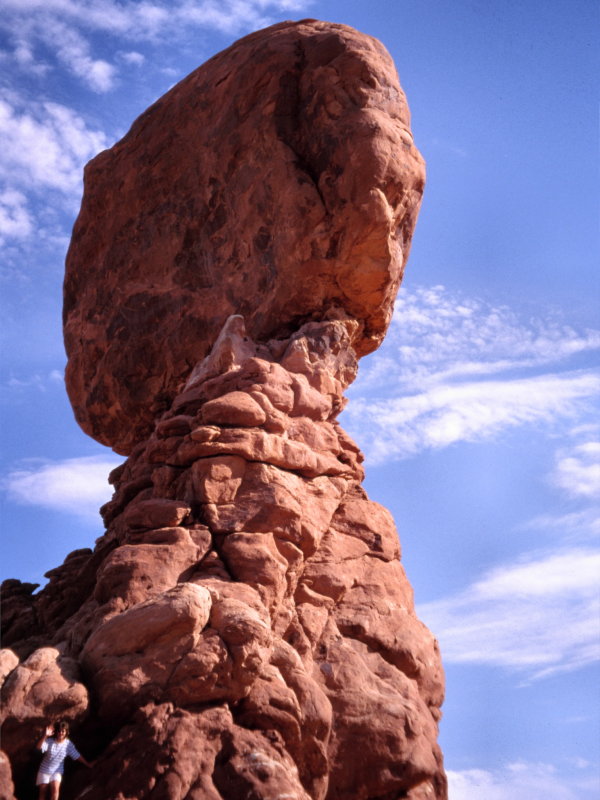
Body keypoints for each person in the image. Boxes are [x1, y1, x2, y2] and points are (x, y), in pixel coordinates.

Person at [36, 720, 93, 799]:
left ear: (67, 732)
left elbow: (77, 755)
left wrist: (87, 764)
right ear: (56, 732)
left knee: (55, 790)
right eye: (59, 731)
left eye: (63, 731)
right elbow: (39, 747)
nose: (60, 733)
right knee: (43, 792)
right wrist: (45, 735)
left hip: (57, 770)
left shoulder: (68, 744)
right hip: (45, 769)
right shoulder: (50, 741)